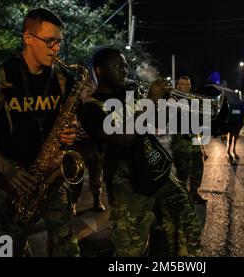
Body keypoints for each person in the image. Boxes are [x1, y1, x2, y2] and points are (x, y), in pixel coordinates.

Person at [0, 8, 80, 256]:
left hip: (51, 175)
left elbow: (74, 118)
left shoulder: (64, 79)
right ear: (28, 38)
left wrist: (73, 130)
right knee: (11, 250)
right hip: (8, 180)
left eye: (59, 41)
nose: (56, 48)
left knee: (67, 248)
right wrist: (6, 168)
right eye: (49, 41)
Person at [77, 48, 201, 256]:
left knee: (185, 225)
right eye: (118, 66)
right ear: (99, 70)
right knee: (131, 248)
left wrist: (162, 102)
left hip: (155, 169)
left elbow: (152, 124)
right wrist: (150, 102)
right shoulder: (91, 108)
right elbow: (121, 137)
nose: (125, 70)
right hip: (126, 182)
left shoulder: (131, 91)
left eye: (125, 65)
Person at [169, 76, 207, 204]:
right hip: (180, 141)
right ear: (177, 86)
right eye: (182, 84)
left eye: (187, 84)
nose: (184, 86)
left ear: (190, 87)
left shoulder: (194, 101)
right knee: (182, 171)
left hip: (194, 139)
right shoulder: (172, 100)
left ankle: (194, 193)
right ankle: (182, 197)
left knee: (198, 167)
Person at [70, 85, 106, 215]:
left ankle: (97, 200)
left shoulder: (96, 106)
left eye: (91, 91)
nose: (90, 93)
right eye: (87, 91)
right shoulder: (73, 106)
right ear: (80, 93)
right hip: (78, 146)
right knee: (76, 177)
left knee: (96, 176)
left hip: (94, 146)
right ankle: (73, 203)